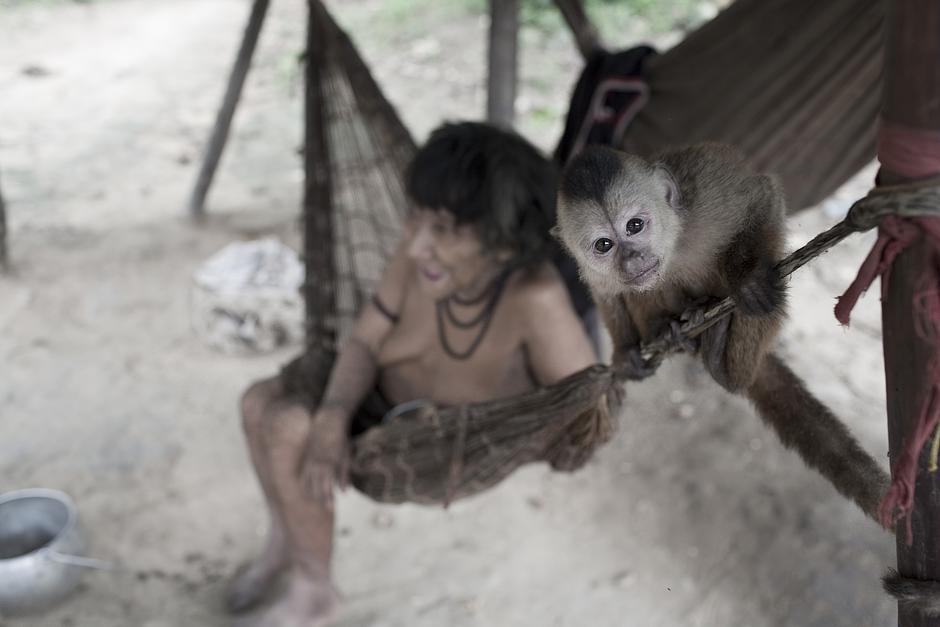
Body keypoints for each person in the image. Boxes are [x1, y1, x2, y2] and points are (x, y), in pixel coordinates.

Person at [229, 121, 598, 627]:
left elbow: (585, 402)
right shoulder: (420, 261)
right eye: (416, 218)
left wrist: (520, 439)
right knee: (256, 403)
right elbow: (363, 339)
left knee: (287, 428)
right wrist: (335, 416)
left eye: (443, 230)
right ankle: (285, 539)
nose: (416, 243)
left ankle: (315, 589)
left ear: (503, 246)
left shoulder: (536, 301)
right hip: (372, 399)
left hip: (438, 443)